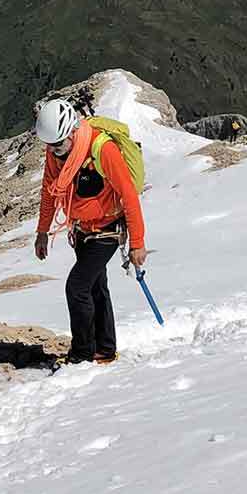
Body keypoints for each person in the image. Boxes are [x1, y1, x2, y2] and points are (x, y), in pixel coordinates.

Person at [33, 98, 147, 365]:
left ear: (72, 131)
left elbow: (128, 195)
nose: (54, 151)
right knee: (95, 286)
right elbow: (48, 193)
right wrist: (42, 232)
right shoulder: (56, 152)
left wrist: (137, 243)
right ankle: (104, 349)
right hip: (83, 229)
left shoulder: (102, 149)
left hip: (107, 230)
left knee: (77, 287)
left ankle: (82, 354)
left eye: (58, 145)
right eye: (50, 146)